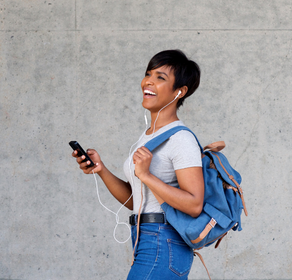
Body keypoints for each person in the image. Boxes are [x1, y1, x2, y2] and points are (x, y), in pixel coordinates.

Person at [72, 49, 204, 279]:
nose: (148, 82)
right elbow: (137, 201)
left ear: (180, 92)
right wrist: (101, 170)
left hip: (164, 241)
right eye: (148, 74)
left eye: (160, 77)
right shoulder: (147, 137)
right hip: (145, 238)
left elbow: (194, 204)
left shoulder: (180, 139)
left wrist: (147, 176)